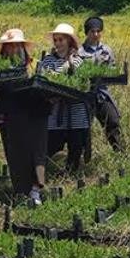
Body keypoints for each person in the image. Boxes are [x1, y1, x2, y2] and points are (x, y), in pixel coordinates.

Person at [0, 28, 49, 205]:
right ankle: (21, 192)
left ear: (23, 46)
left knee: (36, 152)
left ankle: (36, 189)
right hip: (10, 115)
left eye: (16, 45)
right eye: (9, 46)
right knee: (15, 154)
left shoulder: (34, 64)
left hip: (35, 113)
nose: (13, 49)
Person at [38, 22, 91, 174]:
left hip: (76, 112)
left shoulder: (79, 60)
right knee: (50, 146)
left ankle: (71, 178)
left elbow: (83, 84)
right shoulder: (48, 60)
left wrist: (70, 65)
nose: (58, 43)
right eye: (56, 40)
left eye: (61, 40)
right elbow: (44, 79)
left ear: (69, 41)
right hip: (55, 113)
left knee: (75, 149)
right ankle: (47, 174)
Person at [79, 15, 123, 157]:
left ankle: (119, 153)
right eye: (92, 31)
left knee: (113, 121)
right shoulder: (80, 52)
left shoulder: (107, 50)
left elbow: (113, 68)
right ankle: (84, 158)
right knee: (85, 128)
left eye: (98, 31)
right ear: (87, 33)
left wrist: (107, 72)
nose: (96, 34)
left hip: (102, 95)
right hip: (86, 96)